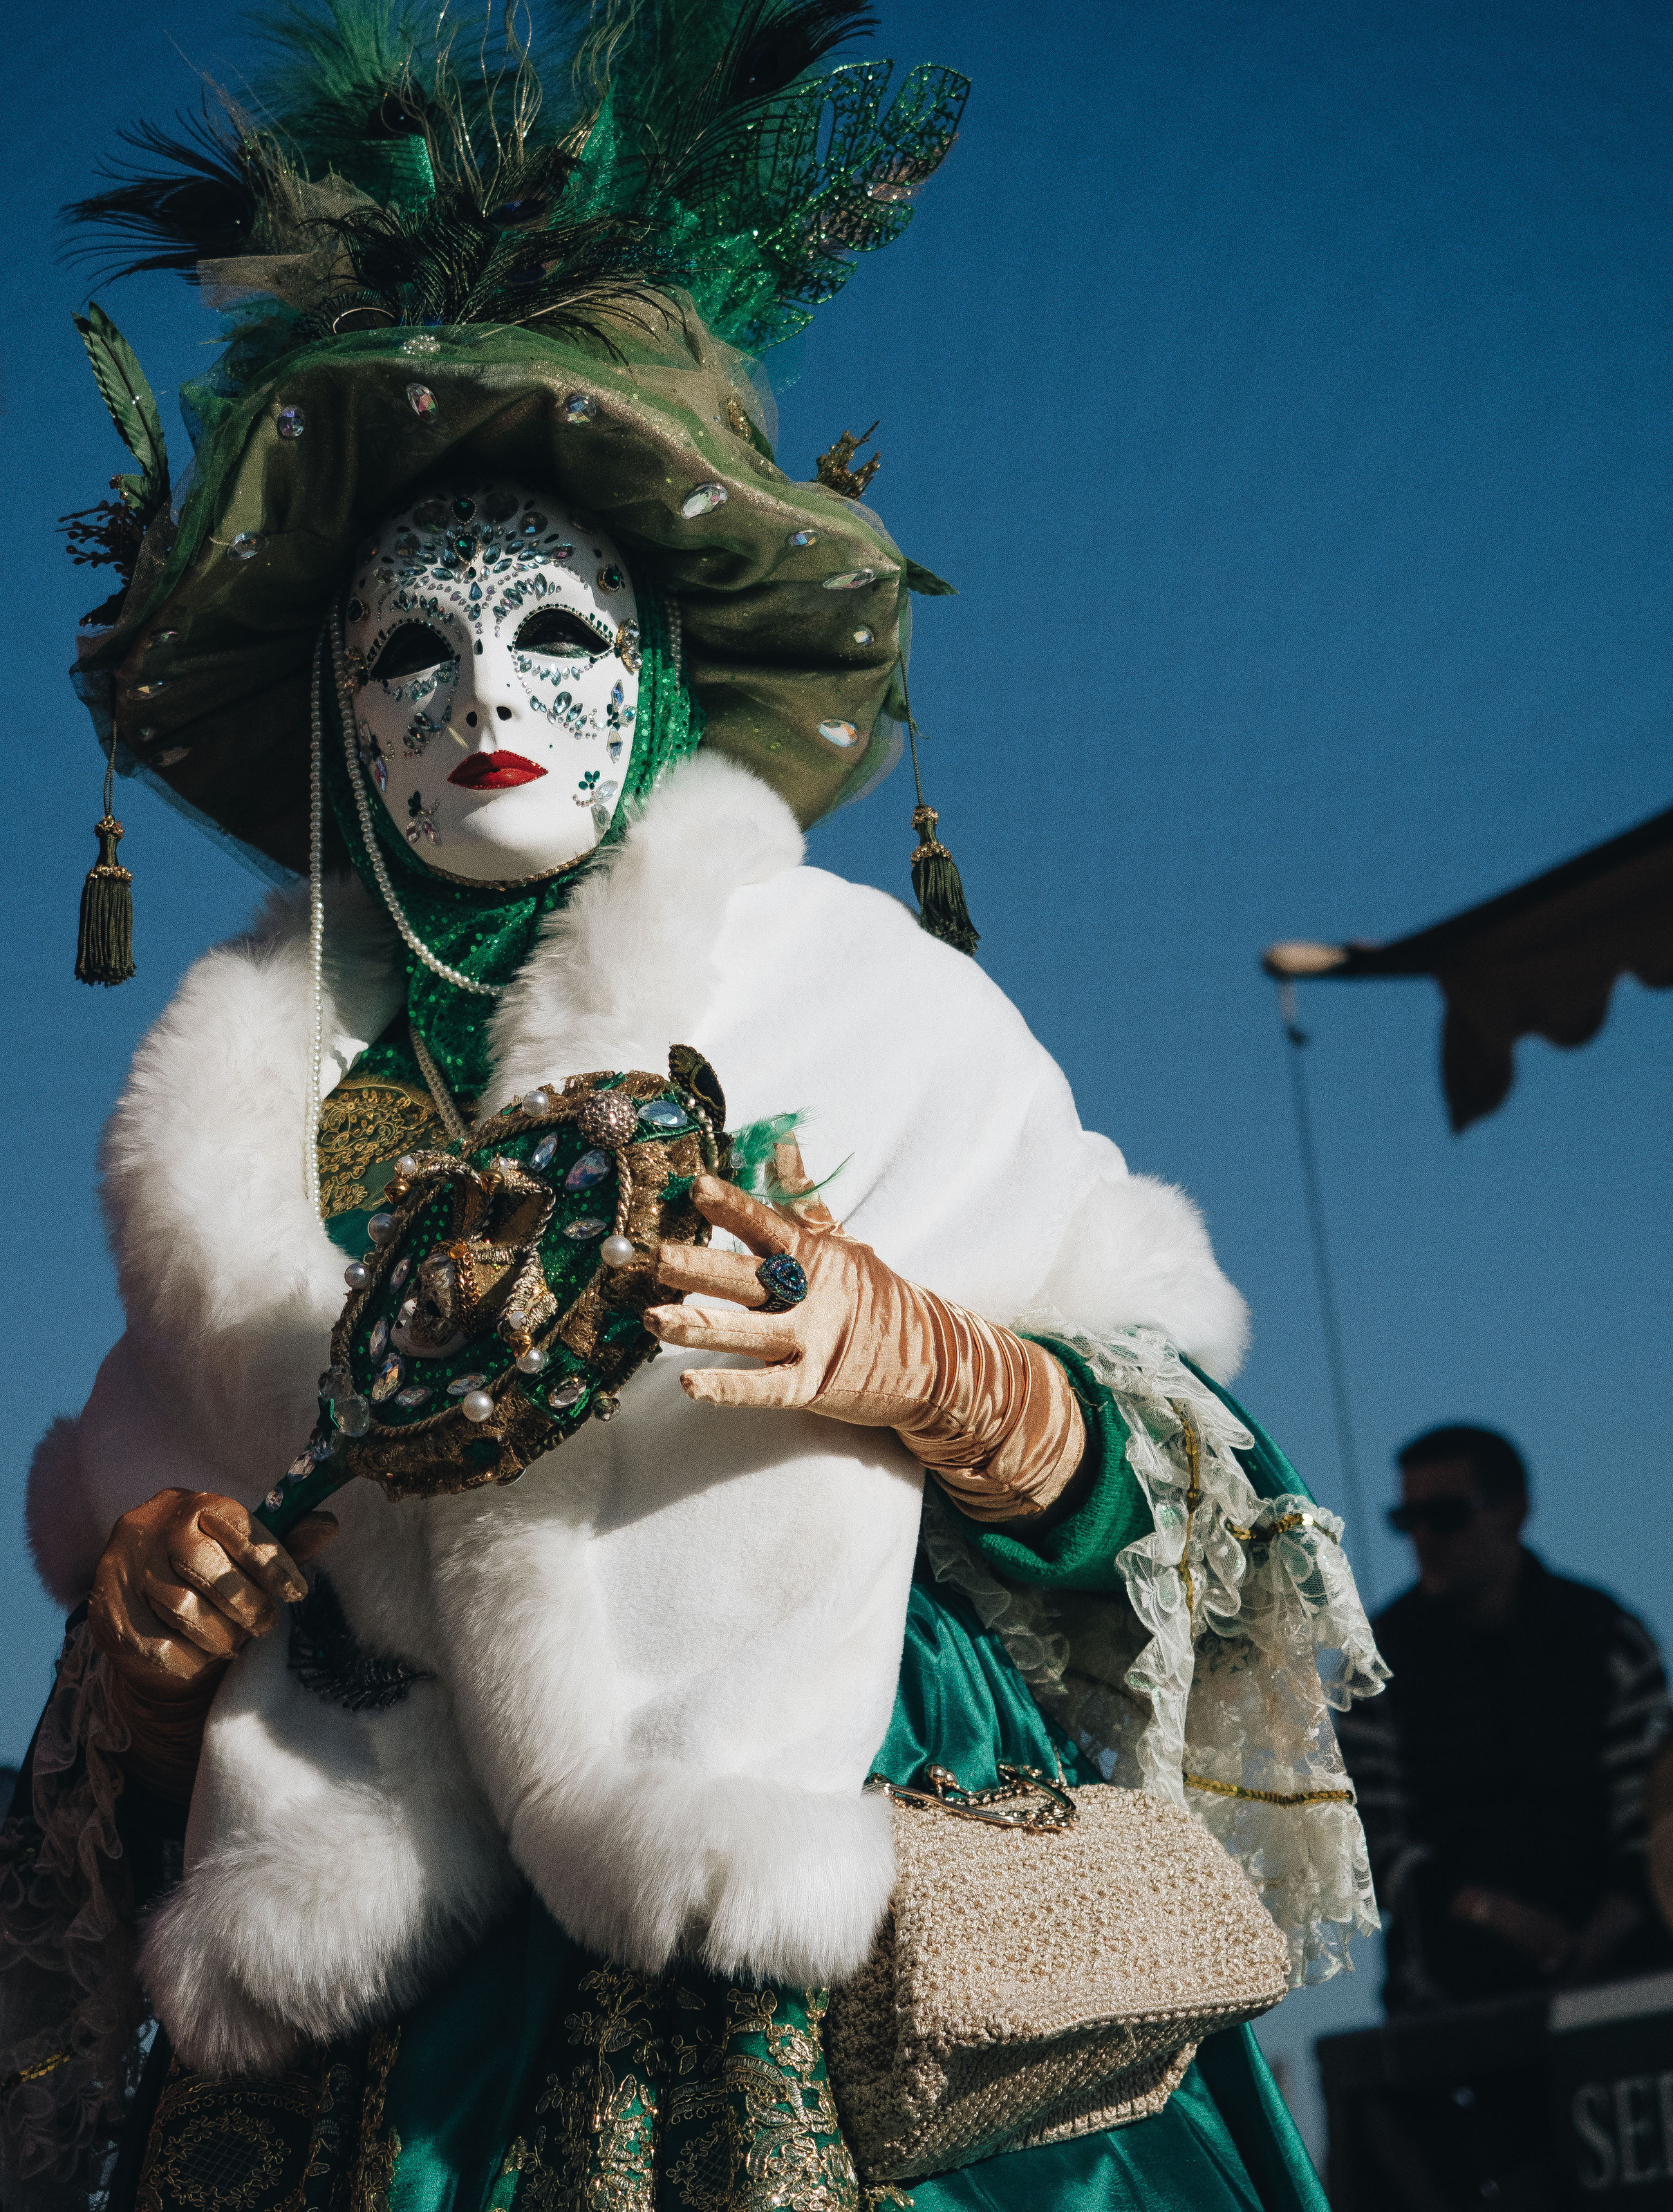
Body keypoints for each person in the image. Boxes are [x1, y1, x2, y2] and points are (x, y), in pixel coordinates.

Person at [0, 8, 1390, 2209]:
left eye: (548, 628)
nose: (480, 700)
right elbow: (128, 1697)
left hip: (823, 1947)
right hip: (362, 2041)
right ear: (337, 715)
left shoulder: (862, 1001)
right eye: (405, 655)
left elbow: (1174, 1494)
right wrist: (156, 1634)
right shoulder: (230, 1127)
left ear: (652, 669)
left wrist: (934, 1369)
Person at [1337, 1423, 1673, 2013]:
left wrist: (1599, 1937)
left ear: (1513, 1512)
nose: (1423, 1539)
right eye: (1406, 1521)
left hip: (1625, 1970)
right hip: (1449, 1990)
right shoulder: (1374, 1666)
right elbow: (1366, 1842)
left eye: (1444, 1516)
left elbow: (1659, 1812)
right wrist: (1492, 1914)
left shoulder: (1609, 1639)